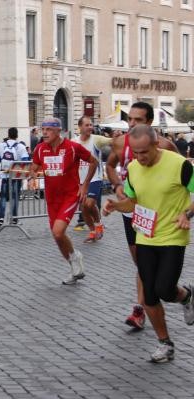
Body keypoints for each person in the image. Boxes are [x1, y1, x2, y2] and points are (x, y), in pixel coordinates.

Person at [102, 124, 194, 363]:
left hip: (173, 234)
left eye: (144, 152)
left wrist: (186, 214)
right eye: (135, 152)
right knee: (149, 297)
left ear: (156, 144)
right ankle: (165, 343)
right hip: (145, 235)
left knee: (165, 289)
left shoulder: (179, 165)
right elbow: (133, 202)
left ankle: (185, 296)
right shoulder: (133, 169)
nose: (140, 157)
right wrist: (115, 205)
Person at [106, 102, 178, 330]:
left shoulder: (166, 145)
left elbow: (181, 174)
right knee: (141, 262)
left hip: (160, 214)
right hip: (132, 210)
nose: (132, 124)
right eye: (130, 119)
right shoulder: (119, 142)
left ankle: (141, 308)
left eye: (138, 120)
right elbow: (110, 165)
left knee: (152, 270)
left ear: (149, 122)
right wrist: (117, 186)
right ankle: (149, 303)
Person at [29, 117, 99, 285]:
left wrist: (85, 185)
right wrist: (32, 178)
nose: (44, 133)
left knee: (59, 231)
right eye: (43, 129)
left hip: (70, 195)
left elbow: (93, 162)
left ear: (58, 131)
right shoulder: (40, 149)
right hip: (52, 198)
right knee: (56, 235)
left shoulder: (72, 147)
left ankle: (75, 258)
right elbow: (34, 166)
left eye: (49, 129)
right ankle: (74, 263)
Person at [71, 116, 112, 242]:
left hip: (95, 177)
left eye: (91, 125)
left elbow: (112, 141)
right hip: (80, 180)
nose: (90, 127)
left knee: (90, 203)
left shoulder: (97, 140)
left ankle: (98, 224)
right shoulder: (73, 142)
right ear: (80, 127)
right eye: (87, 125)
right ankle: (93, 231)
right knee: (84, 208)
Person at [0, 127, 29, 226]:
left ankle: (1, 218)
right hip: (16, 176)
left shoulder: (1, 145)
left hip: (5, 175)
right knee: (15, 197)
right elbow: (25, 160)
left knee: (3, 197)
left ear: (8, 135)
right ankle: (14, 218)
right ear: (17, 135)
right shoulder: (21, 147)